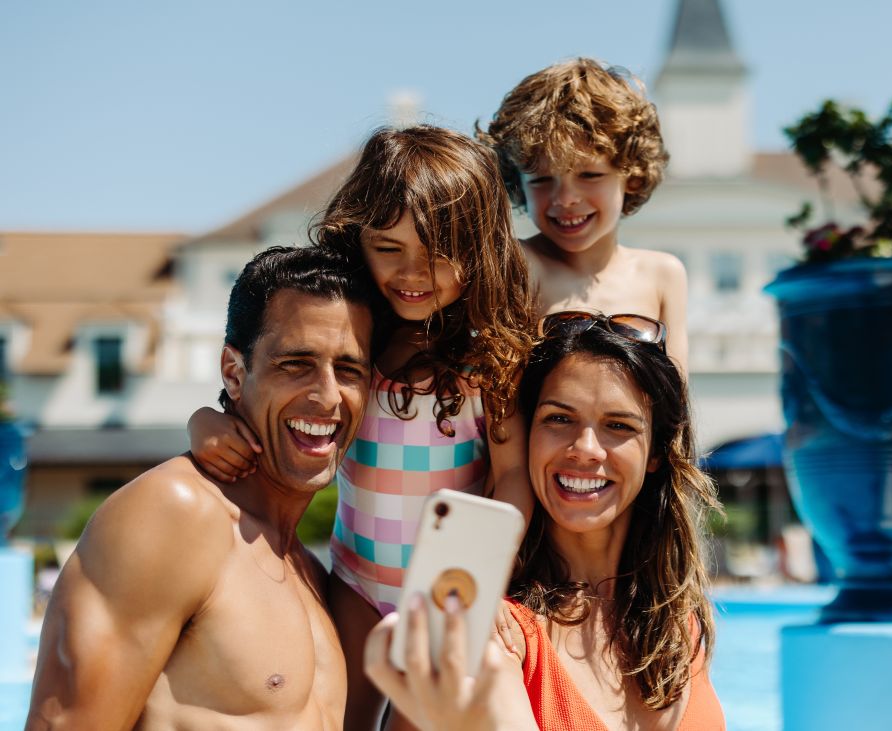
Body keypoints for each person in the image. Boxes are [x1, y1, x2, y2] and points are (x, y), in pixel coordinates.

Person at [186, 125, 536, 730]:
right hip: (356, 582)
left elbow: (512, 480)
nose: (412, 272)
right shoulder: (352, 345)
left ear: (480, 250)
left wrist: (483, 580)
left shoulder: (489, 363)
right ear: (358, 240)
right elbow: (259, 406)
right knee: (339, 720)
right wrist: (203, 422)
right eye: (389, 247)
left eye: (437, 252)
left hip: (446, 591)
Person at [26, 245, 373, 729]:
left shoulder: (312, 573)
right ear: (233, 372)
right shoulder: (175, 513)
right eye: (296, 364)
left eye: (349, 370)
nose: (329, 395)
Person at [366, 320, 726, 731]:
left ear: (656, 453)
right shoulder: (490, 634)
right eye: (558, 419)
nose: (585, 449)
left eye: (618, 426)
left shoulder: (677, 622)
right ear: (527, 438)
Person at [478, 58, 690, 370]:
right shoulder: (517, 266)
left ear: (632, 175)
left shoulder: (663, 274)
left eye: (590, 175)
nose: (565, 199)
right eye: (541, 180)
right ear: (518, 185)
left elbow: (676, 392)